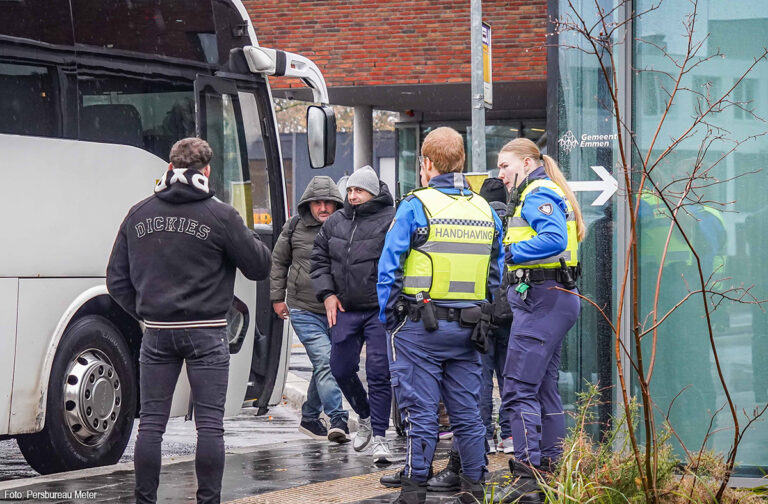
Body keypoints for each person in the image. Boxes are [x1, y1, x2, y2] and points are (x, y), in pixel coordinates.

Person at [106, 138, 271, 504]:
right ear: (207, 170)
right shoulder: (221, 215)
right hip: (207, 332)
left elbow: (115, 279)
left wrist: (147, 310)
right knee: (210, 425)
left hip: (158, 335)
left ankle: (145, 499)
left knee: (151, 425)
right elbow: (259, 266)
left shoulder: (139, 213)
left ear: (169, 168)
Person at [378, 126, 504, 504]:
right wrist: (482, 311)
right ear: (461, 162)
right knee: (468, 413)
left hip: (420, 327)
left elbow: (389, 268)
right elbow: (496, 272)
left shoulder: (416, 205)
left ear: (428, 164)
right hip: (470, 328)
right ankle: (475, 489)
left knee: (422, 413)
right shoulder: (484, 209)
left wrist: (391, 318)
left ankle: (414, 490)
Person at [494, 138, 584, 504]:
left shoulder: (537, 191)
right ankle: (551, 472)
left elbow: (553, 238)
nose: (500, 174)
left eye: (504, 165)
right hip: (551, 300)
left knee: (517, 390)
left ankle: (529, 477)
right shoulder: (542, 189)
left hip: (542, 302)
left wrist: (510, 251)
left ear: (528, 162)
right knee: (544, 390)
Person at [310, 165, 396, 463]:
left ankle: (382, 438)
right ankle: (367, 414)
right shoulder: (336, 222)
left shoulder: (391, 219)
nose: (352, 195)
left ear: (372, 192)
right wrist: (328, 294)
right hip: (345, 308)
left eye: (358, 190)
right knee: (340, 368)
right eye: (350, 190)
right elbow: (318, 259)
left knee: (379, 373)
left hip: (378, 310)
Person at [270, 176, 349, 442]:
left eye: (329, 202)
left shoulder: (347, 226)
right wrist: (277, 298)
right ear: (309, 204)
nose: (323, 207)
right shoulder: (294, 226)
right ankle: (339, 419)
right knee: (326, 361)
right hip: (303, 308)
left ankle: (310, 417)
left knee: (324, 364)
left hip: (337, 309)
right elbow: (279, 262)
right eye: (318, 203)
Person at [478, 177, 514, 455]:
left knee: (481, 378)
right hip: (513, 314)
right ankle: (510, 435)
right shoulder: (516, 219)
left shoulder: (478, 222)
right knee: (509, 377)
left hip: (482, 312)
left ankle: (484, 436)